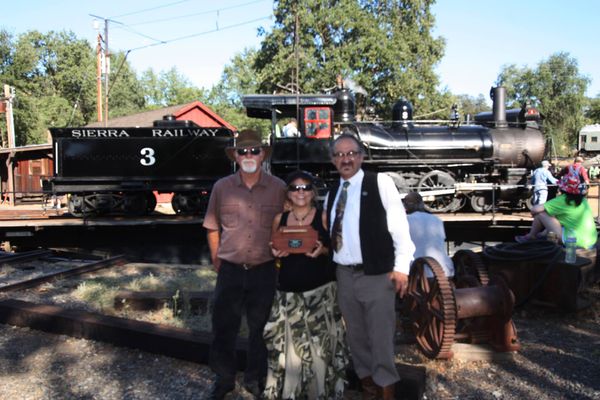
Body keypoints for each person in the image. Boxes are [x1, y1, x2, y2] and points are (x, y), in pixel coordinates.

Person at [324, 134, 415, 400]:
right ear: (333, 160)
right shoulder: (333, 192)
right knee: (356, 337)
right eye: (339, 155)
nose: (346, 159)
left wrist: (402, 268)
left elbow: (399, 227)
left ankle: (386, 391)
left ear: (361, 156)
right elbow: (330, 229)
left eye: (351, 153)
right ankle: (368, 388)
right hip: (344, 275)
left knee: (380, 339)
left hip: (376, 274)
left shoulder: (380, 183)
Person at [203, 129, 286, 400]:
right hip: (230, 270)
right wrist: (217, 259)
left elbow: (289, 226)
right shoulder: (222, 187)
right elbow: (212, 226)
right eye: (243, 151)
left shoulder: (279, 188)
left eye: (254, 150)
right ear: (236, 156)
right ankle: (224, 379)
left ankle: (254, 378)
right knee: (223, 327)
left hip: (264, 270)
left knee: (260, 329)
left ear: (263, 155)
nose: (249, 155)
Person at [263, 170, 348, 400]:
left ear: (313, 192)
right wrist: (275, 253)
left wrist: (323, 251)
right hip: (288, 296)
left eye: (306, 187)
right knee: (288, 352)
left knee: (320, 352)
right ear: (288, 193)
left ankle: (320, 394)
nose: (300, 192)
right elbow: (274, 249)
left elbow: (338, 250)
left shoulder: (324, 217)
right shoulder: (279, 219)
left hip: (320, 295)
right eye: (295, 188)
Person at [515, 169, 597, 249]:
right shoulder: (583, 200)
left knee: (541, 213)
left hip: (574, 242)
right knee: (555, 215)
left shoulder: (563, 199)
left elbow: (535, 209)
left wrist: (534, 214)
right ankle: (542, 234)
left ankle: (531, 236)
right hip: (590, 241)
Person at [402, 192, 454, 278]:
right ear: (422, 204)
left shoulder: (405, 221)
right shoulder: (437, 220)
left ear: (406, 206)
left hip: (420, 274)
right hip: (445, 271)